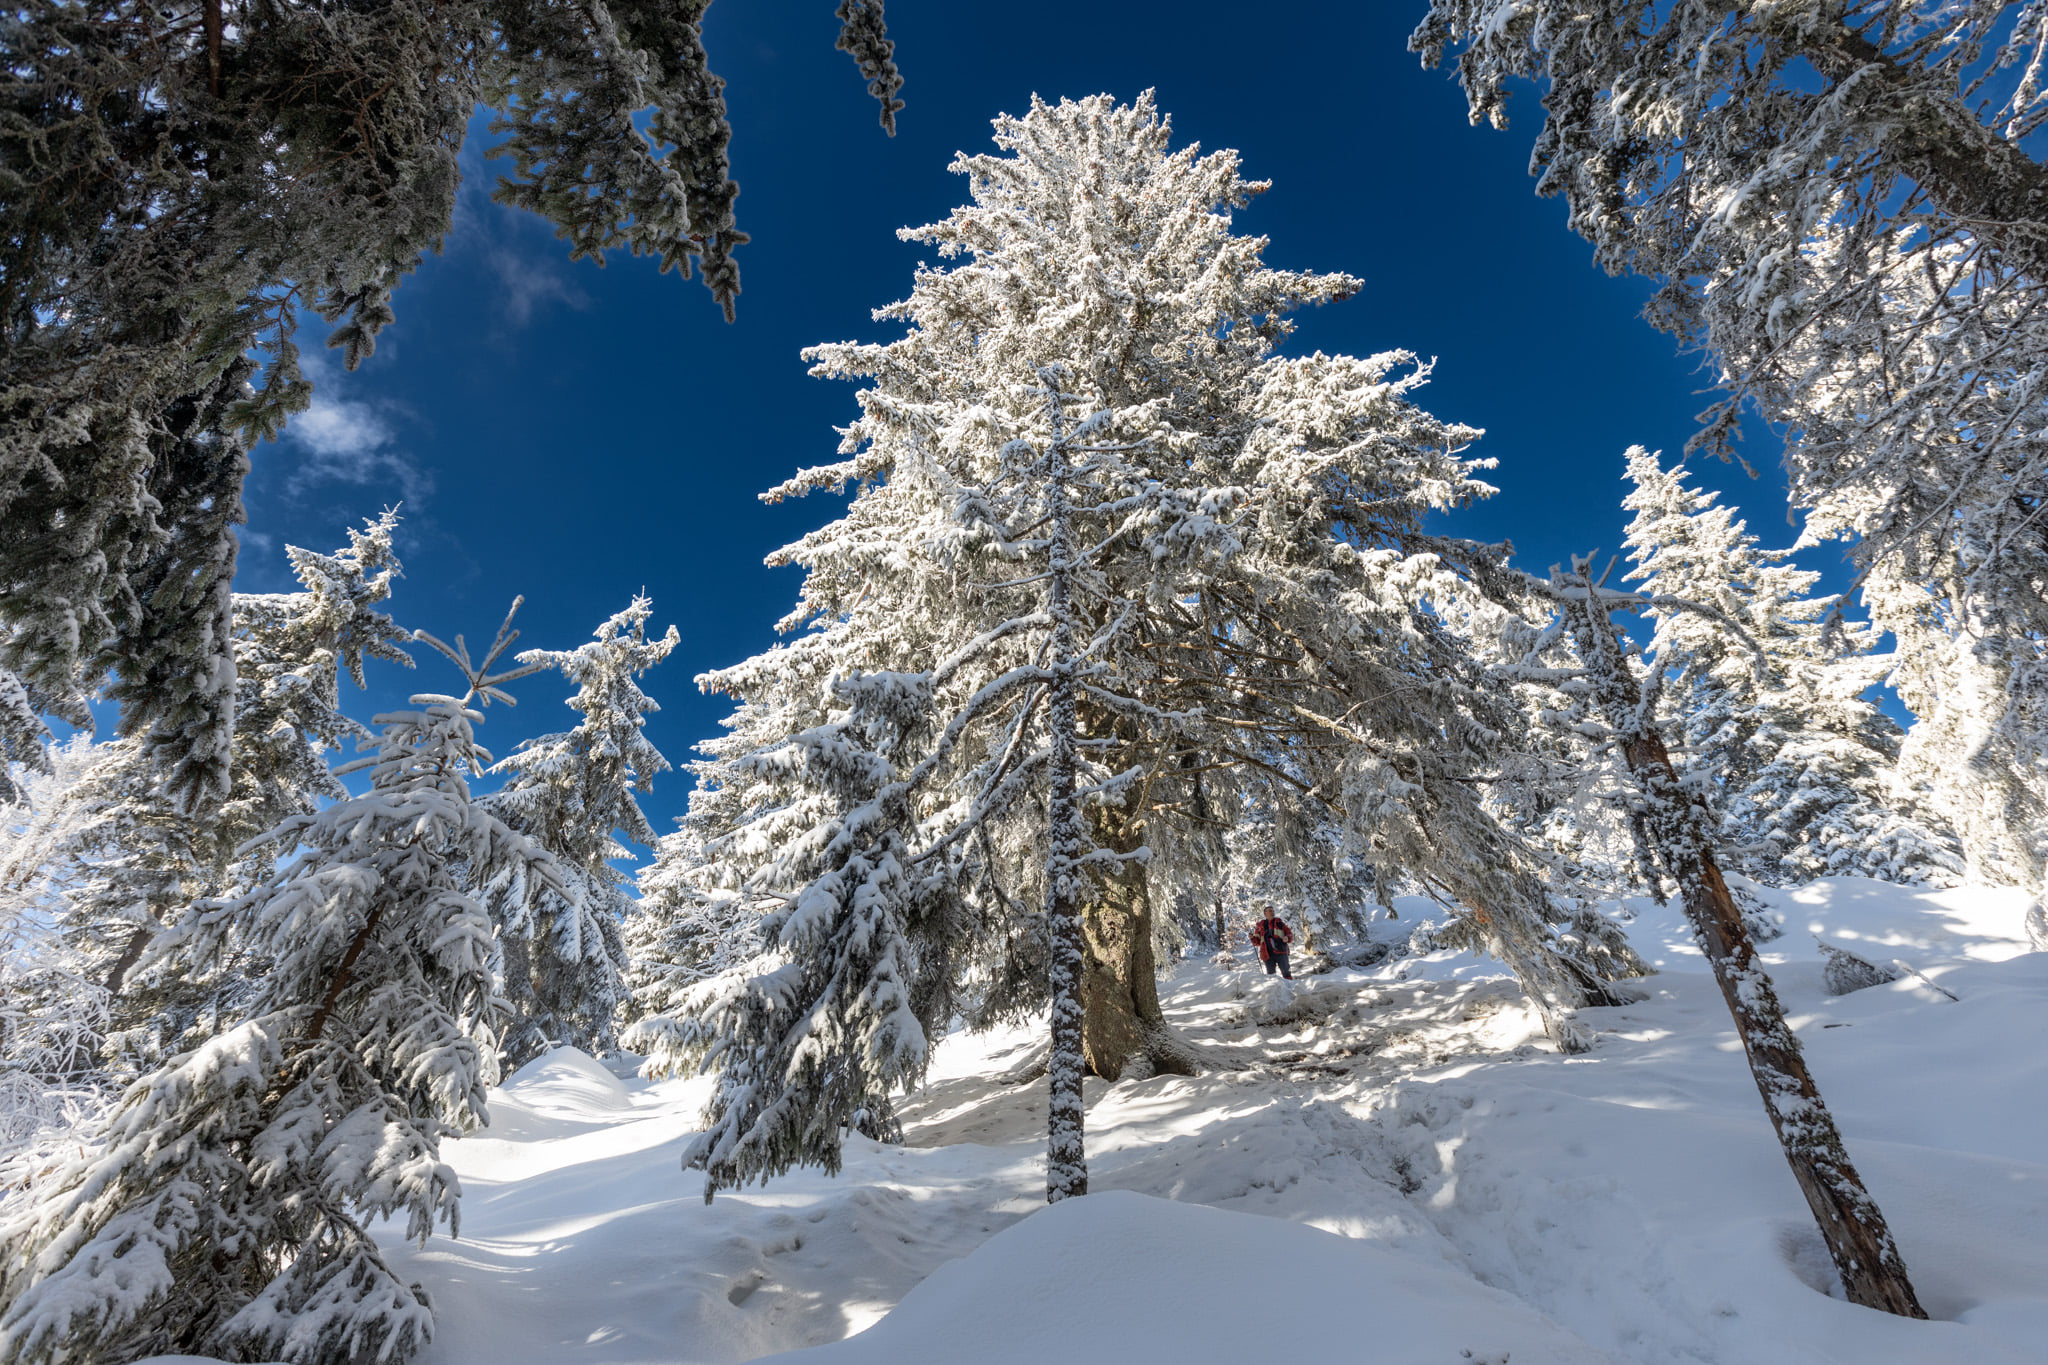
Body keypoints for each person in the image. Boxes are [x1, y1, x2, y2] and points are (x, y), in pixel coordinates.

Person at [1249, 903, 1295, 980]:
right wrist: (1252, 938)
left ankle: (1290, 989)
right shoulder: (1260, 927)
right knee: (1271, 976)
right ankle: (1274, 990)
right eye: (1270, 911)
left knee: (1286, 973)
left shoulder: (1280, 923)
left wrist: (1287, 937)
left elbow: (1289, 934)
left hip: (1281, 952)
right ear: (1265, 913)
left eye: (1273, 911)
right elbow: (1257, 942)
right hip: (1267, 954)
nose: (1272, 912)